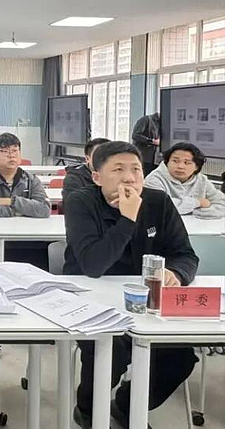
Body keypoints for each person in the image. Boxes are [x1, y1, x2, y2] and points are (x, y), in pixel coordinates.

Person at [63, 141, 199, 429]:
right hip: (92, 299)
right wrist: (128, 218)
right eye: (118, 170)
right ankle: (88, 409)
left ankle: (126, 406)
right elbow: (93, 265)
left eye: (136, 170)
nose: (129, 178)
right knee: (111, 350)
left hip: (147, 302)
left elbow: (185, 254)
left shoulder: (158, 202)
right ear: (97, 176)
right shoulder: (80, 202)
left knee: (180, 357)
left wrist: (176, 273)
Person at [0, 133, 51, 218]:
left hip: (24, 226)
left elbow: (44, 209)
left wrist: (12, 201)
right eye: (5, 151)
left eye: (15, 150)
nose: (11, 155)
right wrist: (15, 212)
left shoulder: (30, 179)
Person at [144, 142, 225, 219]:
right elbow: (159, 206)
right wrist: (198, 203)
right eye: (175, 161)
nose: (180, 166)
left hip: (198, 225)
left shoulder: (201, 180)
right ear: (167, 162)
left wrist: (204, 213)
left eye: (187, 163)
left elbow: (221, 201)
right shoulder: (154, 179)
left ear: (196, 167)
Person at [131, 112, 160, 176]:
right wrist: (151, 141)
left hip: (156, 159)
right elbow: (135, 135)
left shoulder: (163, 124)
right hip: (144, 157)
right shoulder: (146, 120)